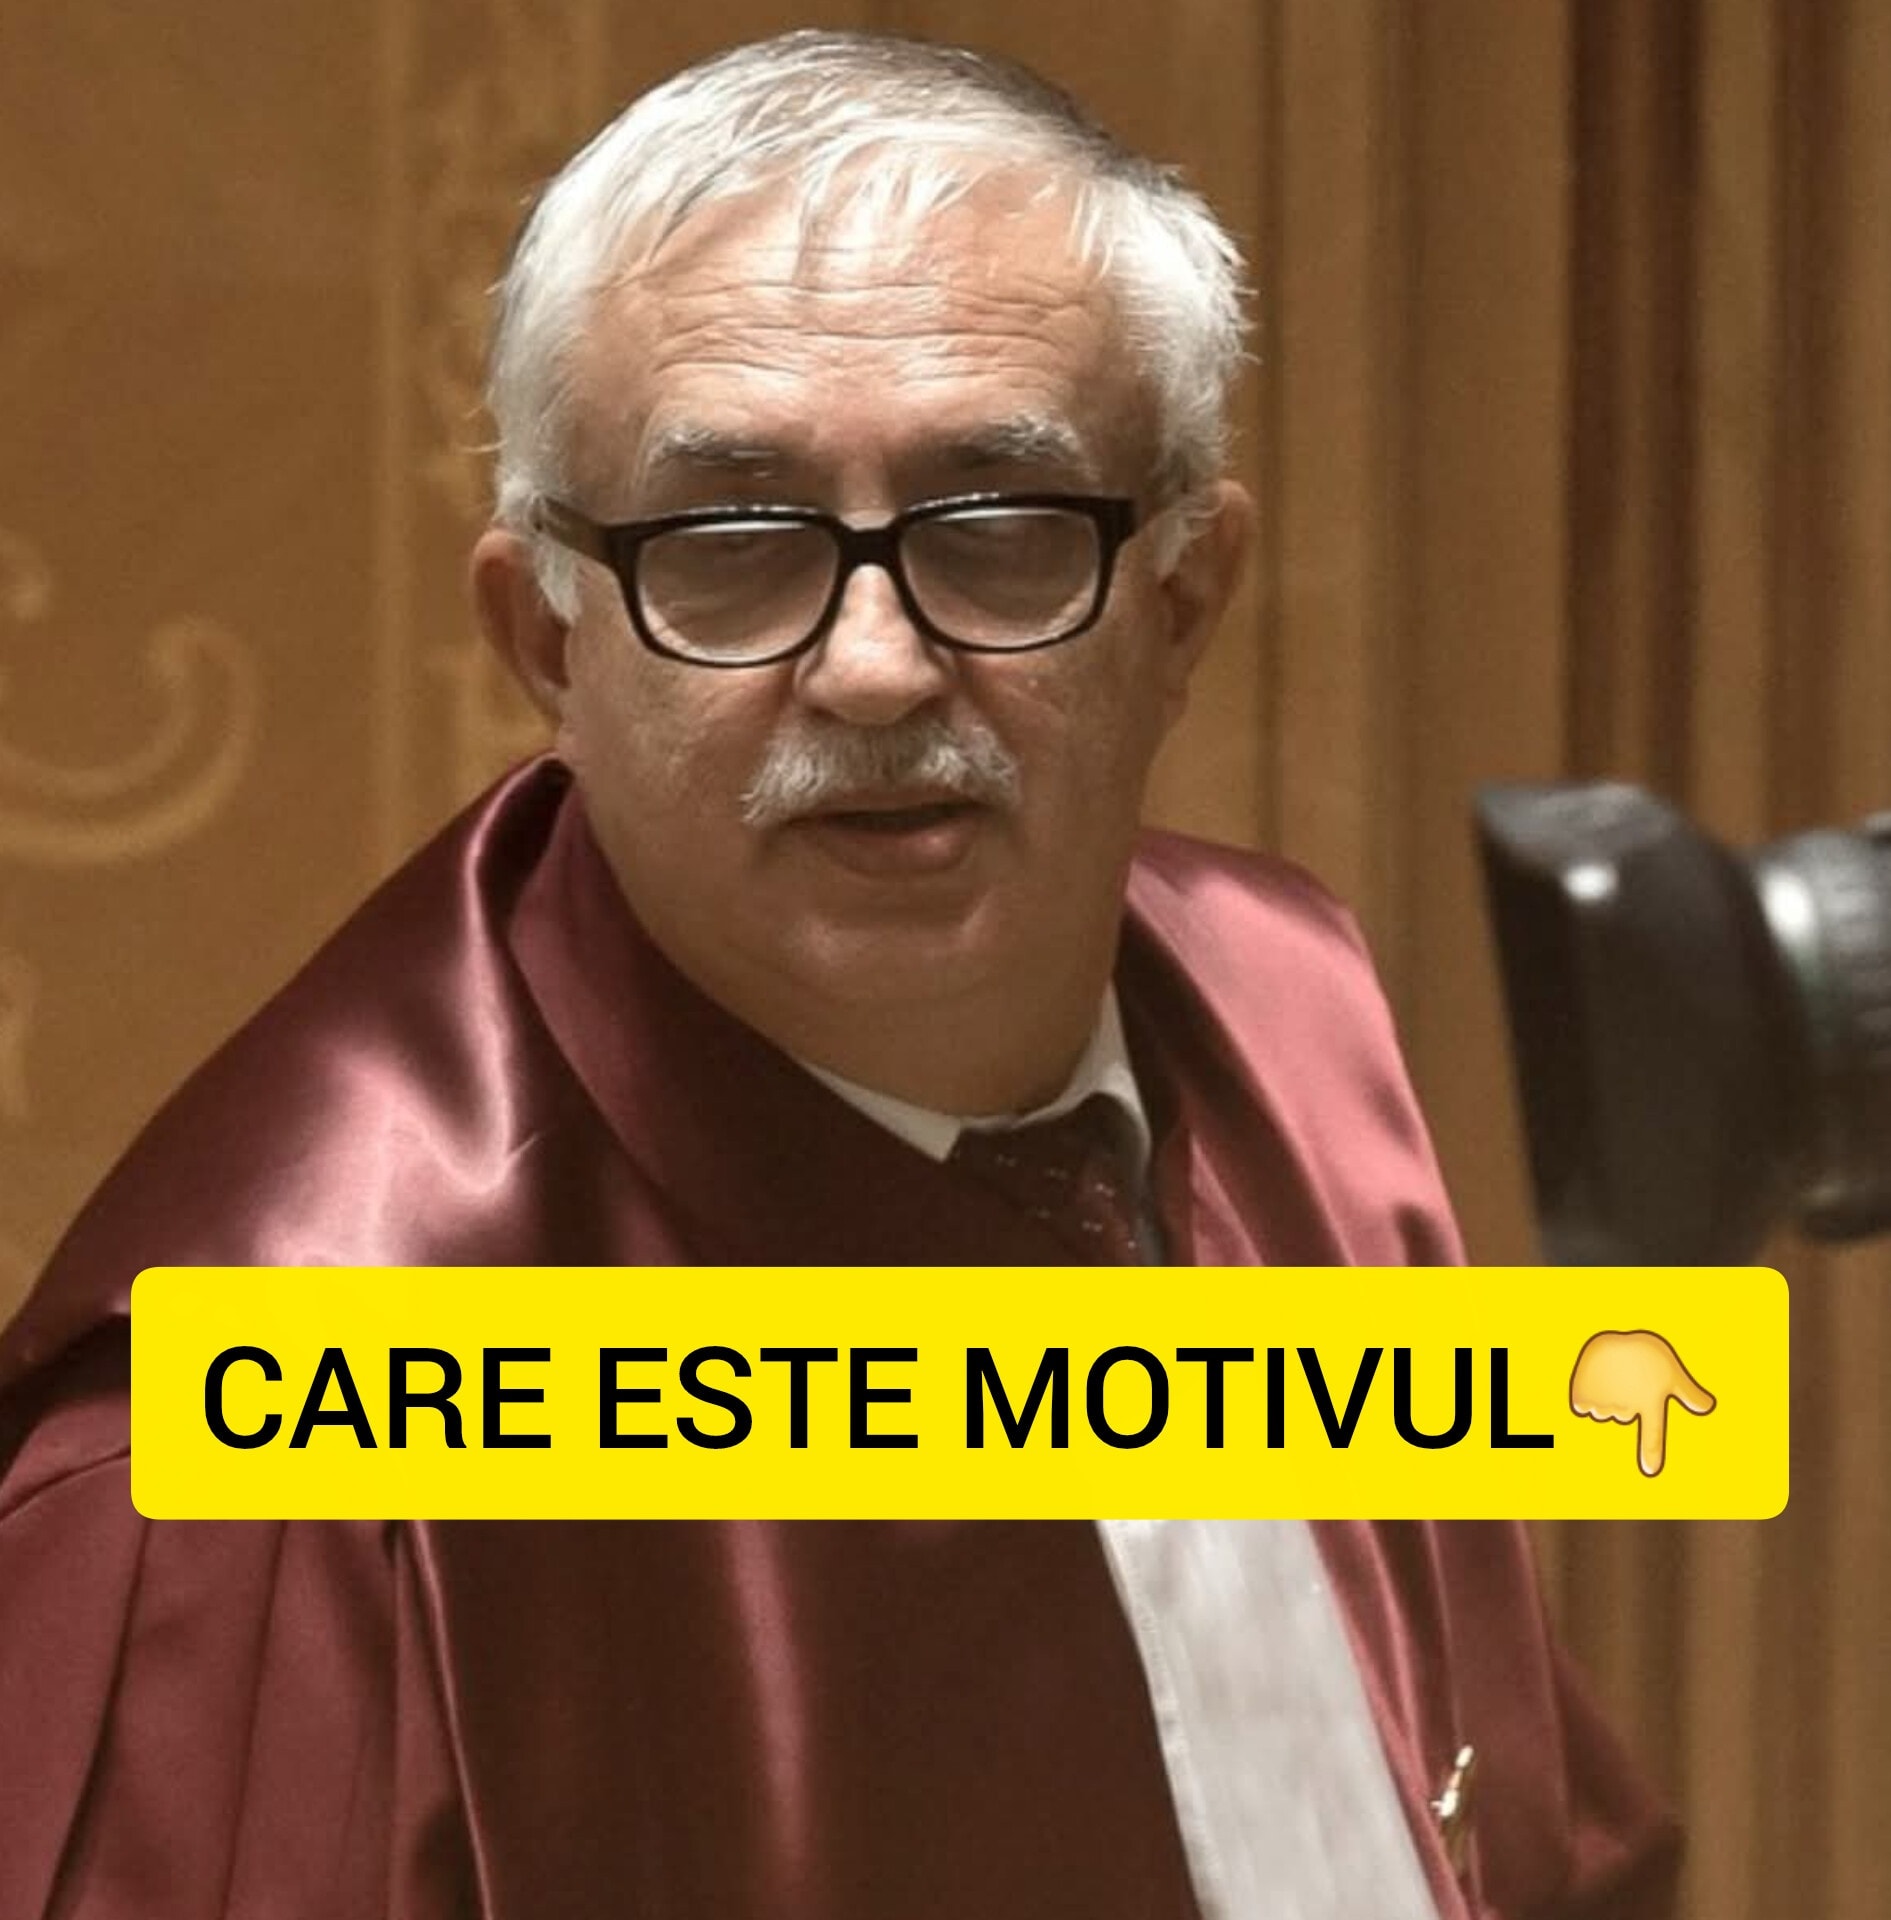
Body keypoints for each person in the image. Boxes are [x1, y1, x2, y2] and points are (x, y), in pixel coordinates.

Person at [0, 30, 1678, 1920]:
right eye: (730, 544)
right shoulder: (249, 1460)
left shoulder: (1294, 1019)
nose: (875, 669)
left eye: (999, 529)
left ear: (1183, 601)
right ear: (546, 641)